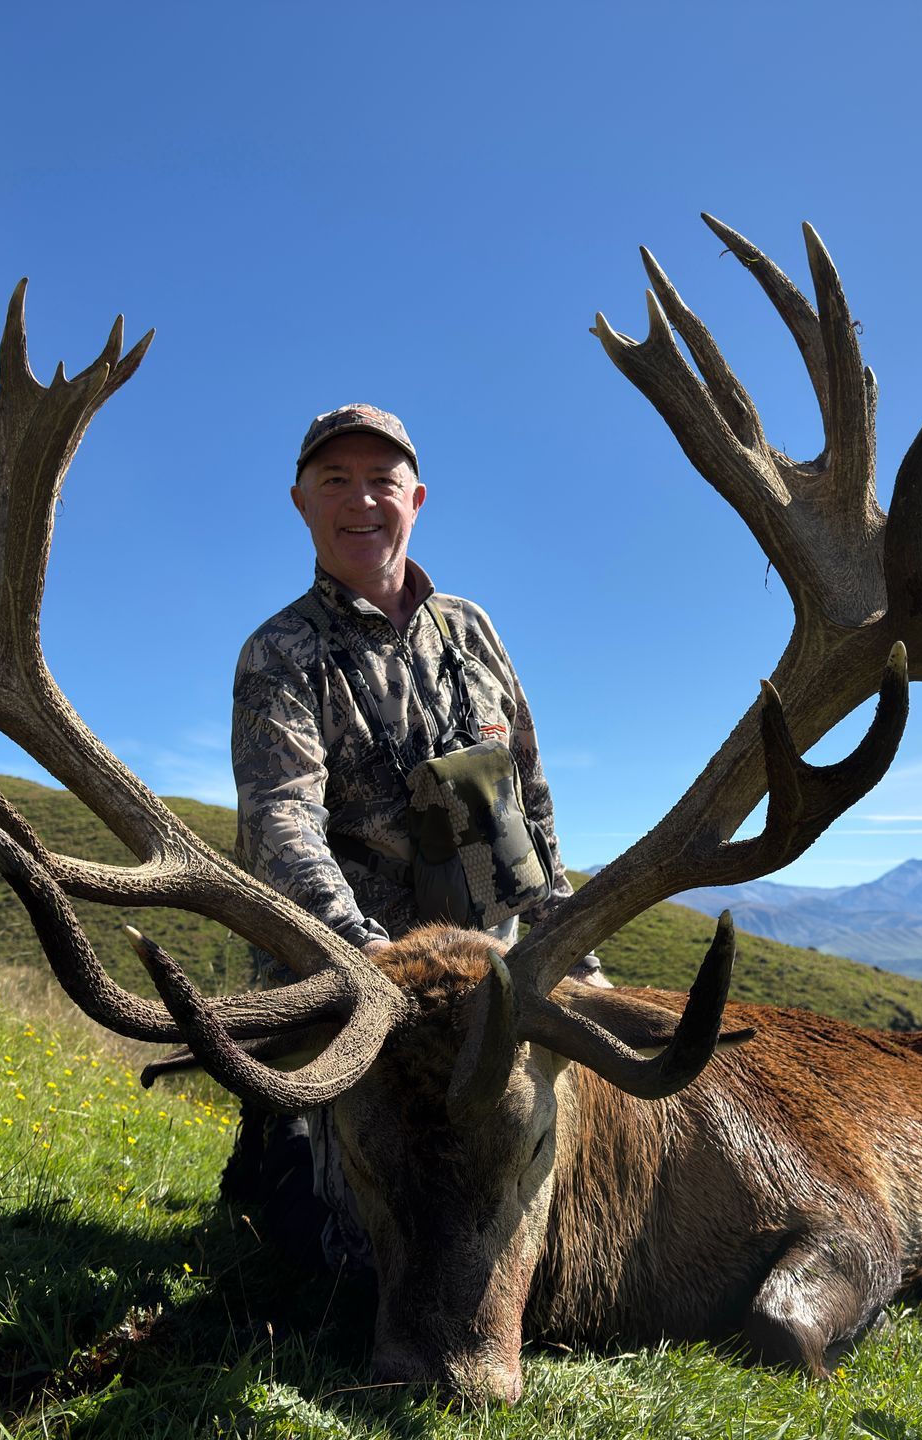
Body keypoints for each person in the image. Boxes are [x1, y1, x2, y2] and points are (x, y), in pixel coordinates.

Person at [225, 402, 604, 1270]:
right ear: (301, 503)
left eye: (381, 482)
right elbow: (282, 820)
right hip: (356, 986)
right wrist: (363, 958)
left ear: (417, 498)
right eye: (336, 482)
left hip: (490, 981)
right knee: (322, 1251)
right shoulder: (281, 653)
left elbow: (529, 797)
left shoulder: (473, 632)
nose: (361, 501)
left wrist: (564, 929)